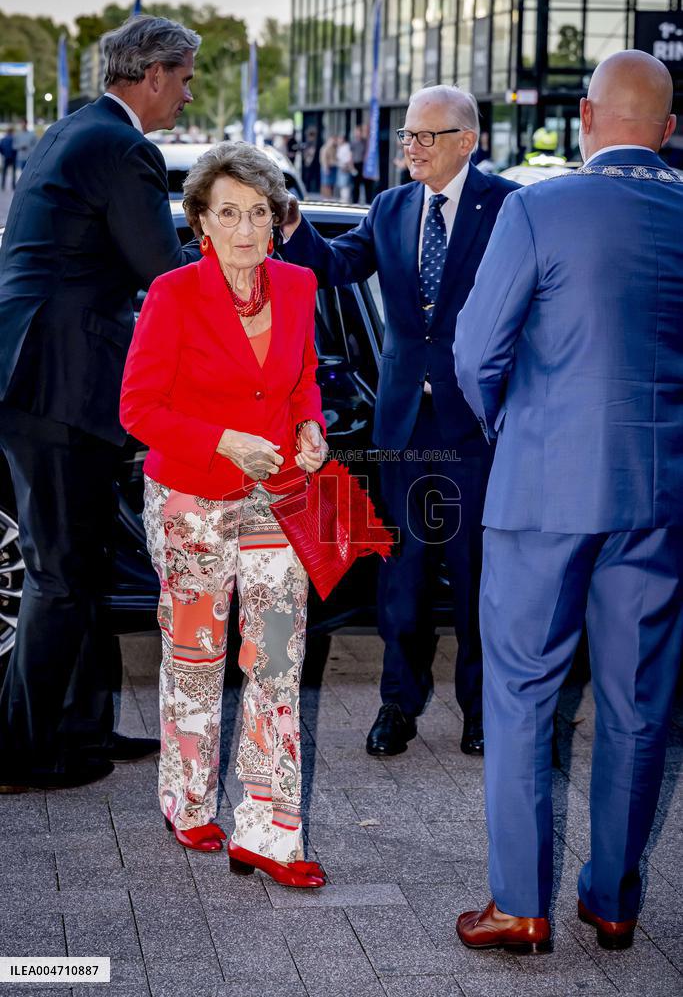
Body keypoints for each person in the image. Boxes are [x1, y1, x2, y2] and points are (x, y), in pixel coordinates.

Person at [454, 50, 683, 953]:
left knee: (520, 695)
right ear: (665, 129)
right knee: (635, 705)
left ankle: (520, 904)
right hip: (658, 497)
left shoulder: (537, 206)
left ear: (585, 118)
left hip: (544, 489)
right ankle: (613, 901)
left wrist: (514, 423)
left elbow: (477, 351)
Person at [281, 86, 519, 757]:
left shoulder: (506, 207)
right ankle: (397, 705)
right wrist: (295, 225)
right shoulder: (388, 207)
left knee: (476, 573)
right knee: (403, 574)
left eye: (423, 136)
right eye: (405, 137)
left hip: (474, 422)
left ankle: (481, 712)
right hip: (403, 426)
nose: (407, 147)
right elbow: (332, 267)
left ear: (464, 141)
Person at [0, 15, 201, 793]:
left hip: (39, 377)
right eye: (184, 78)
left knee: (76, 566)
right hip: (59, 383)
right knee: (58, 572)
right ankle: (18, 753)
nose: (186, 94)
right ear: (151, 75)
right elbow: (162, 269)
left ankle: (82, 729)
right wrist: (241, 251)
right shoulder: (123, 146)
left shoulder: (72, 131)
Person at [120, 142, 329, 887]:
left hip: (274, 496)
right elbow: (138, 408)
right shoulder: (174, 294)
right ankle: (187, 800)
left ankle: (270, 834)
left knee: (276, 658)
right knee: (197, 658)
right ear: (201, 223)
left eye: (259, 213)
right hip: (190, 502)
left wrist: (310, 426)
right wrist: (220, 441)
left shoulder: (300, 285)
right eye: (229, 213)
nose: (246, 229)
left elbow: (303, 379)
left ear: (276, 221)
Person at [350, 124, 375, 203]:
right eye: (356, 132)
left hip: (364, 165)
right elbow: (350, 155)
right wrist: (352, 167)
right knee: (355, 186)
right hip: (356, 165)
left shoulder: (365, 142)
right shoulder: (353, 143)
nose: (357, 134)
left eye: (359, 132)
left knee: (367, 185)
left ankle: (368, 202)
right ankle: (355, 202)